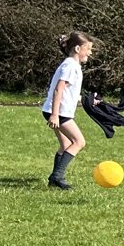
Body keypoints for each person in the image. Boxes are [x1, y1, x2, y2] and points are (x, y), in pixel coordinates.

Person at [42, 31, 93, 190]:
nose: (90, 53)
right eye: (88, 49)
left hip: (54, 111)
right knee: (79, 142)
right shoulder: (70, 65)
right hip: (59, 113)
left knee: (65, 144)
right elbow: (59, 90)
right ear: (78, 49)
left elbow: (67, 91)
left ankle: (53, 181)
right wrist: (55, 114)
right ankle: (57, 176)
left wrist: (87, 100)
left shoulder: (72, 65)